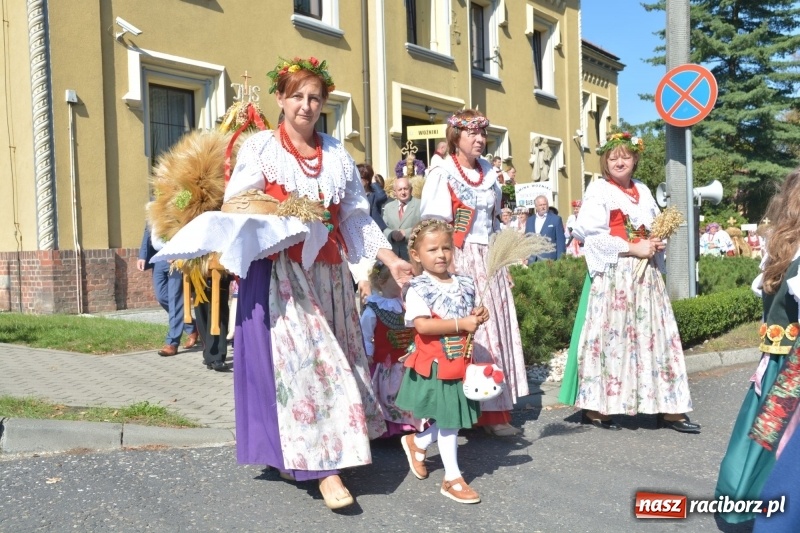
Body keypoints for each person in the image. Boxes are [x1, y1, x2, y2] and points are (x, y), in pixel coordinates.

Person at [225, 56, 412, 510]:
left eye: (314, 98)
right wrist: (277, 215)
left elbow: (353, 216)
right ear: (281, 99)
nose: (306, 106)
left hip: (328, 274)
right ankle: (324, 468)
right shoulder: (260, 148)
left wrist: (389, 257)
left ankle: (320, 449)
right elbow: (236, 204)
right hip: (279, 274)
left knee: (334, 363)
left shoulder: (335, 155)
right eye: (297, 97)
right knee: (308, 366)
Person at [564, 132, 699, 433]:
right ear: (605, 162)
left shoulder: (643, 189)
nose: (619, 162)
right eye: (613, 158)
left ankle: (667, 407)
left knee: (655, 336)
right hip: (616, 277)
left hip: (645, 277)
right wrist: (632, 247)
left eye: (625, 156)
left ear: (635, 159)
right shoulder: (600, 190)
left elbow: (649, 227)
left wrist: (655, 241)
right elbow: (590, 236)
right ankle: (599, 408)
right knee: (614, 339)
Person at [419, 109, 528, 437]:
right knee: (466, 334)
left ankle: (493, 411)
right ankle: (458, 408)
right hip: (459, 258)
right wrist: (444, 268)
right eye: (472, 134)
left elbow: (494, 222)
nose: (480, 140)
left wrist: (504, 260)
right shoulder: (443, 172)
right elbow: (435, 225)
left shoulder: (489, 174)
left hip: (488, 258)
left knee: (493, 331)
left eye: (483, 134)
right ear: (456, 137)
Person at [715, 168, 800, 524]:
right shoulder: (789, 253)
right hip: (790, 370)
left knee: (765, 438)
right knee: (779, 439)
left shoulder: (784, 249)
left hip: (777, 365)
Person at [395, 219, 490, 503]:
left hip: (461, 363)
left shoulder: (464, 283)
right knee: (450, 420)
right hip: (437, 363)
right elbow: (423, 326)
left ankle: (419, 441)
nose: (441, 255)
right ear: (416, 255)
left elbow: (469, 314)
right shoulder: (418, 288)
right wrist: (463, 323)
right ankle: (452, 478)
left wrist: (478, 315)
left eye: (446, 248)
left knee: (454, 419)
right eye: (432, 249)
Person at [360, 263, 424, 437]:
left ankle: (409, 423)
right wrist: (369, 353)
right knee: (387, 392)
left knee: (407, 391)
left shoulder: (405, 304)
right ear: (382, 282)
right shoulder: (373, 308)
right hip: (386, 361)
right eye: (397, 279)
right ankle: (390, 427)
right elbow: (366, 334)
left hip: (407, 358)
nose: (403, 283)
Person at [137, 224, 198, 357]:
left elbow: (187, 231)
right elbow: (147, 230)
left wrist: (179, 252)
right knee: (162, 296)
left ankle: (172, 342)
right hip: (159, 258)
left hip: (175, 258)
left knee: (175, 299)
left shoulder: (179, 205)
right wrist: (142, 255)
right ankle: (191, 326)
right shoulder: (154, 206)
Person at [193, 271, 231, 372]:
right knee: (202, 312)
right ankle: (209, 352)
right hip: (195, 267)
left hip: (218, 266)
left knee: (218, 311)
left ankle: (216, 355)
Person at [382, 177, 421, 261]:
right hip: (394, 255)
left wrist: (406, 233)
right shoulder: (388, 207)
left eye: (405, 189)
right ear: (395, 192)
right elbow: (384, 228)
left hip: (413, 255)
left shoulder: (420, 204)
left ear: (411, 190)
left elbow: (425, 226)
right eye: (400, 189)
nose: (403, 192)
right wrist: (391, 234)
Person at [525, 195, 566, 262]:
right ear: (536, 207)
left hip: (549, 260)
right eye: (540, 205)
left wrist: (560, 261)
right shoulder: (530, 220)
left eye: (545, 204)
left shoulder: (556, 219)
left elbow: (560, 242)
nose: (543, 207)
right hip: (532, 260)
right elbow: (527, 240)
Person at [359, 163, 388, 231]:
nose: (357, 180)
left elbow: (382, 197)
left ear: (367, 180)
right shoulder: (355, 194)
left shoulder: (373, 194)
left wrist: (373, 182)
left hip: (375, 230)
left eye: (360, 177)